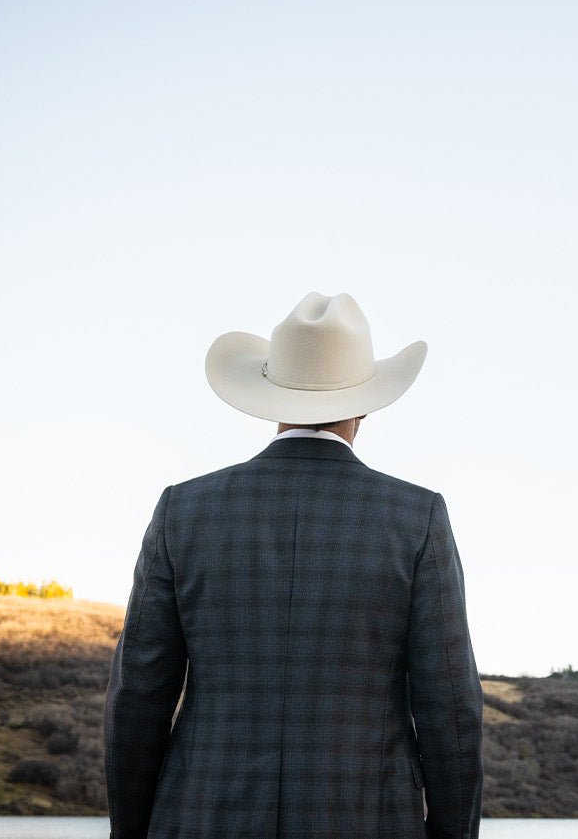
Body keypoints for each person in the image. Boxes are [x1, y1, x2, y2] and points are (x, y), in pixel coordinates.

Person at [105, 292, 483, 839]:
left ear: (273, 400)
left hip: (200, 820)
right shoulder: (416, 518)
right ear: (365, 405)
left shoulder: (182, 512)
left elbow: (138, 699)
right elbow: (452, 713)